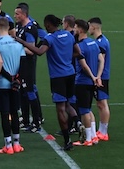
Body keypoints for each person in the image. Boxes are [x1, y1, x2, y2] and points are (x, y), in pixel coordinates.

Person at [19, 14, 78, 151]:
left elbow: (39, 52)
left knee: (61, 108)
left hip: (58, 77)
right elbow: (78, 52)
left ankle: (67, 141)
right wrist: (65, 58)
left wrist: (21, 41)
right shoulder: (68, 35)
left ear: (48, 25)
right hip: (70, 73)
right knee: (68, 102)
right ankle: (77, 121)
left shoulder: (49, 38)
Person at [0, 19, 27, 154]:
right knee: (14, 113)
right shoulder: (18, 45)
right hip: (16, 85)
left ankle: (8, 145)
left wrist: (9, 78)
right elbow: (24, 65)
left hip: (2, 84)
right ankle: (17, 144)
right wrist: (17, 79)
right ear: (8, 28)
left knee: (4, 114)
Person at [13, 2, 44, 133]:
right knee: (22, 91)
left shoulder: (31, 29)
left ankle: (36, 122)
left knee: (30, 92)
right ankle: (25, 120)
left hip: (28, 64)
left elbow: (31, 50)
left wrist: (16, 47)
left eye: (17, 14)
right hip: (21, 63)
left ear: (24, 15)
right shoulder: (19, 26)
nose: (15, 16)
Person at [72, 19, 103, 147]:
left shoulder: (80, 46)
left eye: (74, 28)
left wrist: (92, 76)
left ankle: (88, 139)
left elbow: (83, 65)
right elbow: (101, 59)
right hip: (92, 82)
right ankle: (94, 136)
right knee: (89, 109)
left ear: (79, 30)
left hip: (82, 82)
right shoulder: (93, 43)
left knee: (84, 110)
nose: (73, 30)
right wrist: (98, 76)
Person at [88, 16, 111, 141]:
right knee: (100, 103)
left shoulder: (101, 42)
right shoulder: (101, 40)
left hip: (101, 76)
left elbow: (100, 60)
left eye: (89, 26)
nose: (88, 29)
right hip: (100, 76)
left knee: (102, 103)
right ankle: (102, 130)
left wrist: (98, 77)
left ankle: (103, 132)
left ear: (94, 27)